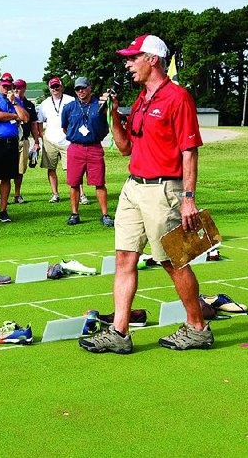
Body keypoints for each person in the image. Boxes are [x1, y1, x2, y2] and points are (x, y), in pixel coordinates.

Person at [79, 34, 212, 354]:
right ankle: (119, 333)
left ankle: (198, 327)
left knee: (174, 262)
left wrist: (188, 198)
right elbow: (125, 148)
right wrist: (113, 114)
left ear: (152, 59)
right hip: (133, 187)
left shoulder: (178, 98)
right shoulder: (140, 99)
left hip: (164, 190)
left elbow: (189, 151)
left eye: (132, 57)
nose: (127, 64)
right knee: (124, 257)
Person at [61, 77, 113, 227]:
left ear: (90, 88)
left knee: (99, 183)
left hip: (94, 147)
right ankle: (74, 213)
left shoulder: (100, 105)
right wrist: (77, 137)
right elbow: (65, 127)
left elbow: (106, 127)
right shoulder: (69, 107)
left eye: (83, 88)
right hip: (75, 148)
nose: (80, 91)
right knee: (74, 183)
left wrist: (94, 137)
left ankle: (105, 214)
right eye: (77, 89)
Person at [0, 72, 29, 223]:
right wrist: (15, 116)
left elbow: (26, 118)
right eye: (4, 85)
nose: (6, 88)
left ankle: (3, 210)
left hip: (11, 142)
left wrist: (14, 103)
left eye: (9, 86)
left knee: (7, 178)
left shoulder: (14, 100)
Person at [37, 77, 87, 204]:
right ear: (49, 89)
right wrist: (42, 136)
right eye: (52, 87)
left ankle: (81, 195)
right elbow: (39, 122)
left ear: (61, 87)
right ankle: (55, 194)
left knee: (73, 169)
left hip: (68, 141)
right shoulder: (44, 104)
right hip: (50, 141)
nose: (55, 89)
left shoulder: (71, 100)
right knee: (51, 168)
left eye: (57, 86)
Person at [11, 79, 40, 204]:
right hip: (10, 139)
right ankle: (3, 195)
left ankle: (17, 194)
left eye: (19, 87)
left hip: (24, 139)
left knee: (20, 169)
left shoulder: (29, 104)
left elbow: (33, 124)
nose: (16, 90)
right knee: (6, 169)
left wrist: (36, 141)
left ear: (24, 88)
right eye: (14, 87)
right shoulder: (8, 103)